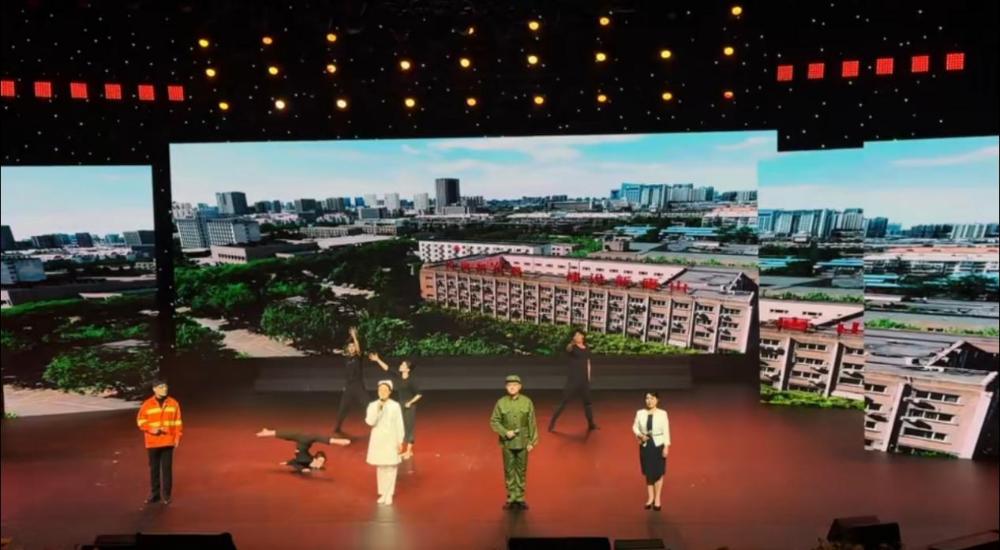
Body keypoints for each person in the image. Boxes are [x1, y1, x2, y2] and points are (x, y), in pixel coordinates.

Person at [490, 375, 538, 510]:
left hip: (523, 441)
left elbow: (532, 422)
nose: (512, 387)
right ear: (506, 387)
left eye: (515, 385)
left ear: (520, 387)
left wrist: (532, 441)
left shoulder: (527, 402)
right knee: (509, 470)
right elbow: (494, 421)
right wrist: (505, 432)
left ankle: (520, 498)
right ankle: (511, 497)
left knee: (521, 470)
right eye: (509, 385)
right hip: (508, 443)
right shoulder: (501, 403)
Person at [136, 379, 182, 505]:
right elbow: (140, 421)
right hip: (152, 442)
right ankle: (154, 495)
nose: (164, 389)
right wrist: (151, 429)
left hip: (168, 441)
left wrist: (177, 437)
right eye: (161, 387)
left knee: (167, 470)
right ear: (154, 389)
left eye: (165, 387)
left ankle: (166, 495)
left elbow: (178, 422)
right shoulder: (147, 404)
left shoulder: (174, 403)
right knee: (154, 469)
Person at [369, 352, 423, 459]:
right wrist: (377, 360)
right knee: (400, 427)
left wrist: (410, 402)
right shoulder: (398, 375)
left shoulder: (412, 380)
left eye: (403, 365)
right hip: (401, 404)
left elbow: (419, 394)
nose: (401, 366)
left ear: (407, 369)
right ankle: (401, 448)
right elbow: (387, 368)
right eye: (401, 364)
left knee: (409, 428)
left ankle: (409, 451)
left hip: (409, 406)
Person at [548, 329, 598, 432]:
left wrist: (588, 377)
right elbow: (568, 348)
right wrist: (571, 343)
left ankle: (591, 424)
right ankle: (552, 422)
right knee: (564, 401)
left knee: (588, 403)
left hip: (584, 380)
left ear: (583, 336)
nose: (577, 337)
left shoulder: (587, 348)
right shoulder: (572, 348)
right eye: (575, 335)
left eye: (579, 335)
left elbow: (588, 362)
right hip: (573, 380)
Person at [365, 379, 405, 505]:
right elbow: (370, 422)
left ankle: (389, 494)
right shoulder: (372, 405)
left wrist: (400, 441)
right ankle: (383, 493)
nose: (382, 392)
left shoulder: (395, 405)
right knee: (381, 467)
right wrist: (378, 409)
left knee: (391, 467)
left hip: (391, 439)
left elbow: (399, 424)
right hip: (378, 440)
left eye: (385, 390)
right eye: (380, 390)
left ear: (390, 392)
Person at [632, 391, 670, 511]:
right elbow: (634, 427)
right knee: (649, 472)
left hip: (658, 444)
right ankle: (650, 497)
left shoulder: (663, 413)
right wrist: (640, 435)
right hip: (645, 445)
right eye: (647, 398)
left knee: (658, 472)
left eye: (652, 398)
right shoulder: (640, 413)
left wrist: (666, 446)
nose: (649, 401)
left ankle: (657, 498)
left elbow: (666, 430)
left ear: (657, 400)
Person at [255, 428, 351, 473]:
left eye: (321, 462)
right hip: (305, 442)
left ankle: (268, 432)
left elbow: (295, 462)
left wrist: (289, 463)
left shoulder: (307, 461)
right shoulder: (308, 460)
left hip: (302, 444)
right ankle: (338, 441)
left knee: (293, 435)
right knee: (309, 436)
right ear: (315, 459)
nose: (320, 464)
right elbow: (297, 461)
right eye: (320, 462)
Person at [334, 327, 370, 436]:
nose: (352, 348)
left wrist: (354, 336)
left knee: (368, 405)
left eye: (353, 346)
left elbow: (358, 349)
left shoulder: (358, 357)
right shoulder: (346, 359)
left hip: (358, 386)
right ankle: (337, 428)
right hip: (349, 387)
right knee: (343, 408)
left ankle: (378, 425)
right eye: (350, 347)